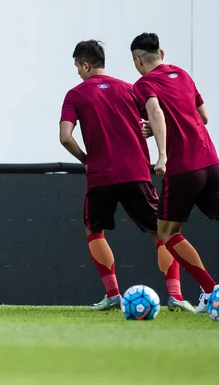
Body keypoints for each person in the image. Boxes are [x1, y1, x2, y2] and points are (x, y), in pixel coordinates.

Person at [59, 40, 194, 312]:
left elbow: (65, 137)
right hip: (137, 173)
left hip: (101, 177)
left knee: (94, 231)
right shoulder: (130, 89)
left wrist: (85, 159)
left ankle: (112, 294)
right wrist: (155, 142)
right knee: (161, 233)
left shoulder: (75, 94)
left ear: (85, 65)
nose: (77, 72)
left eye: (77, 66)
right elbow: (158, 118)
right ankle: (176, 296)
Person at [130, 32, 219, 313]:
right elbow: (202, 116)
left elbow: (155, 112)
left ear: (138, 60)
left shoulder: (143, 84)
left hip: (183, 167)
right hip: (212, 162)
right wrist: (165, 125)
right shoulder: (182, 74)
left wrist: (162, 152)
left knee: (166, 232)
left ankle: (211, 290)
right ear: (162, 54)